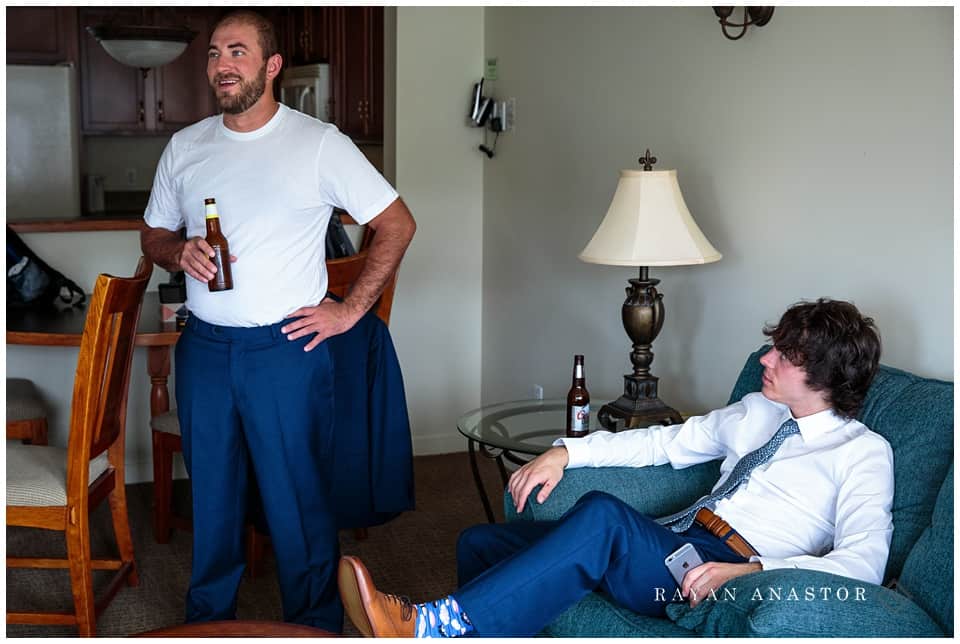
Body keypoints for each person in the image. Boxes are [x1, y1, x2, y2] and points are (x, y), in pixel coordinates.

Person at [338, 298, 892, 637]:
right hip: (677, 543)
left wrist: (751, 573)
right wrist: (566, 451)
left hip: (723, 572)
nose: (765, 360)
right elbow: (661, 443)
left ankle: (436, 626)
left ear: (826, 373)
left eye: (785, 355)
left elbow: (863, 564)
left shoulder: (861, 453)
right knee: (479, 543)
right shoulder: (757, 411)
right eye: (772, 347)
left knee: (603, 516)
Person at [140, 10, 415, 633]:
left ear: (270, 66)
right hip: (204, 350)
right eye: (213, 53)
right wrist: (174, 250)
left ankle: (315, 627)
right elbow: (153, 231)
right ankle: (207, 624)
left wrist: (349, 311)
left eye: (237, 51)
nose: (221, 64)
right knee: (212, 502)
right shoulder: (186, 147)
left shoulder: (319, 143)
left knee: (299, 507)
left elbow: (397, 224)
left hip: (285, 352)